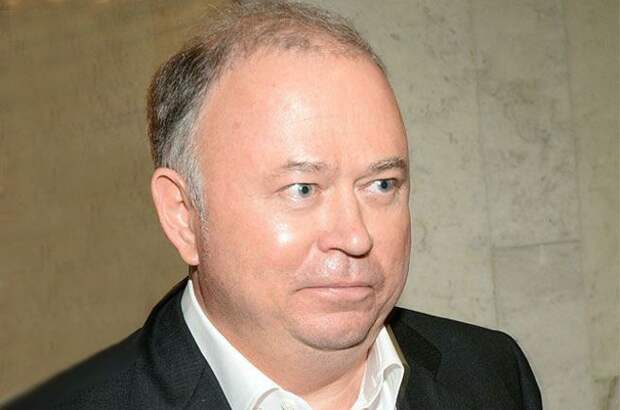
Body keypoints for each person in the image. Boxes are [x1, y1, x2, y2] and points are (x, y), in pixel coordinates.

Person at [5, 1, 542, 409]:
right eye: (303, 189)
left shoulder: (491, 373)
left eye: (381, 185)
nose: (355, 236)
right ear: (184, 216)